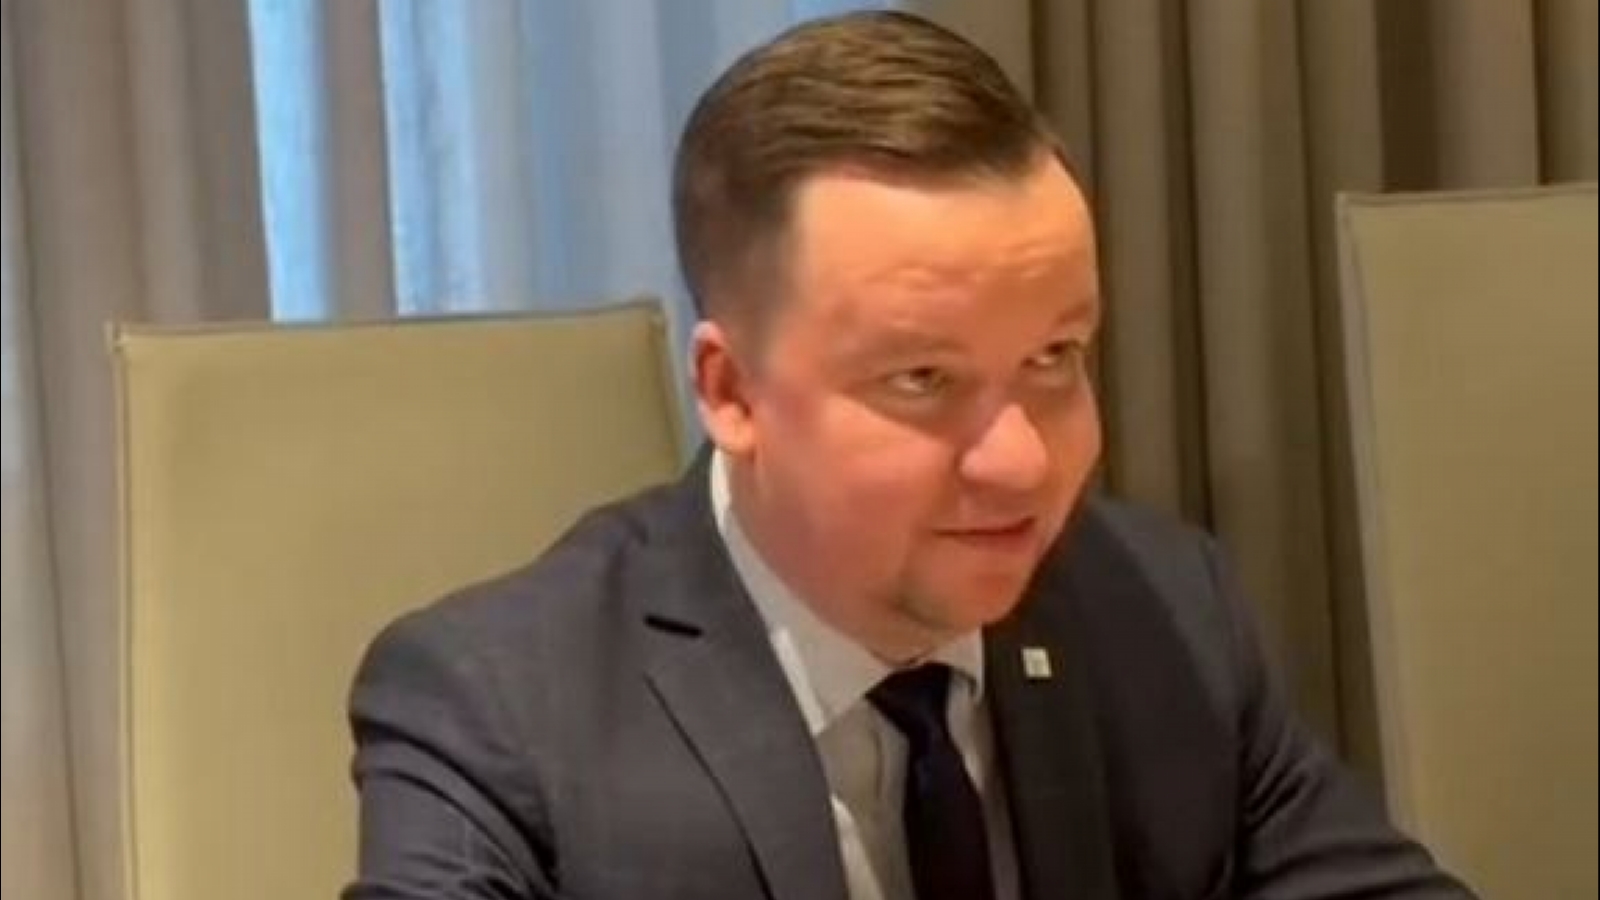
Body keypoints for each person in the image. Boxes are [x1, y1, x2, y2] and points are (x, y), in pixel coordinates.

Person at [345, 11, 1476, 900]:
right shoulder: (499, 707)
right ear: (732, 392)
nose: (1020, 463)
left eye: (1054, 358)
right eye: (923, 380)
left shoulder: (1165, 614)